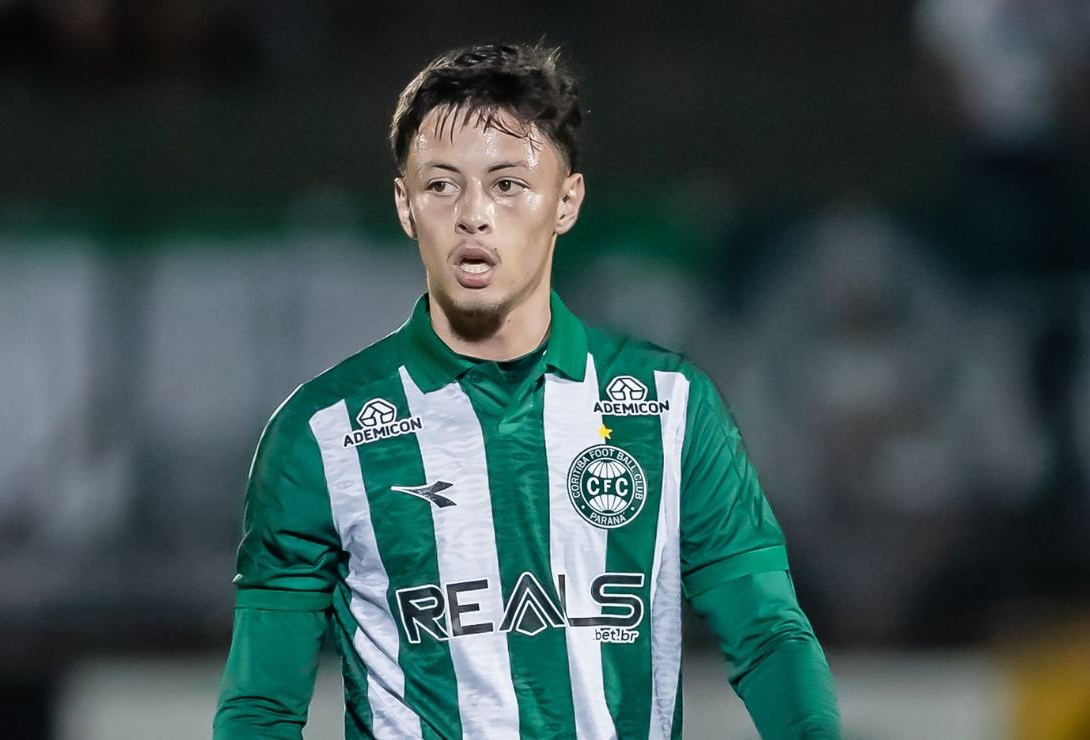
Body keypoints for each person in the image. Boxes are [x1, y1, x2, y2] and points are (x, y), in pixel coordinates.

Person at [214, 42, 840, 739]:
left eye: (507, 184)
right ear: (405, 205)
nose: (473, 215)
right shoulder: (320, 432)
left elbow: (768, 636)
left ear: (566, 201)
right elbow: (262, 706)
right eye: (441, 185)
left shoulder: (670, 406)